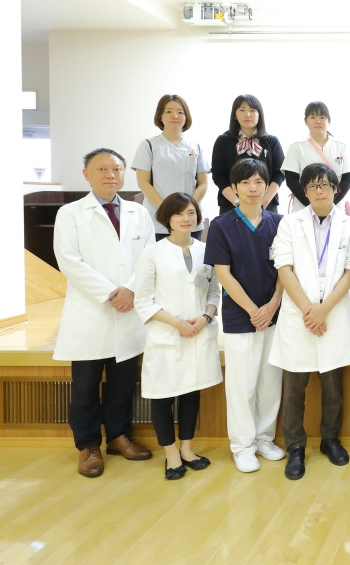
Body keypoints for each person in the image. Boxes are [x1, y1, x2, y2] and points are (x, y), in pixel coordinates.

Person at [53, 148, 155, 477]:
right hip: (91, 311)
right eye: (102, 169)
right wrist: (111, 293)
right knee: (85, 386)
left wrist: (131, 289)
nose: (110, 175)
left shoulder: (139, 213)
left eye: (117, 169)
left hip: (128, 309)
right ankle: (87, 446)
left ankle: (117, 436)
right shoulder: (70, 213)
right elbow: (69, 261)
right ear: (86, 174)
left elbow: (149, 257)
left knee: (122, 383)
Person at [270, 163, 350, 479]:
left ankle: (330, 440)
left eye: (324, 185)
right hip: (299, 316)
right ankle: (295, 447)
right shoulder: (289, 223)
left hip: (332, 315)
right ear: (304, 192)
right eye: (312, 186)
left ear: (336, 188)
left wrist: (324, 310)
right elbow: (284, 268)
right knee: (294, 389)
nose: (318, 191)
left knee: (333, 387)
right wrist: (309, 310)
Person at [203, 158, 285, 473]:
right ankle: (242, 446)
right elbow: (223, 274)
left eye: (259, 182)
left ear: (267, 187)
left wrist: (273, 305)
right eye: (246, 182)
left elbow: (285, 269)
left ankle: (264, 439)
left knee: (270, 381)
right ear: (234, 188)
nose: (253, 188)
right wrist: (253, 310)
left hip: (274, 314)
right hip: (241, 317)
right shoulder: (222, 225)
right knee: (242, 383)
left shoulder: (279, 223)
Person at [133, 193, 221, 480]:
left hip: (198, 333)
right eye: (179, 213)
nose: (186, 218)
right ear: (167, 218)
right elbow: (143, 300)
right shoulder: (152, 253)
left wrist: (206, 317)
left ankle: (187, 449)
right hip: (167, 335)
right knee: (162, 396)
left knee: (191, 393)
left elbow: (214, 292)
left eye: (191, 213)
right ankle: (171, 454)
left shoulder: (206, 251)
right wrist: (177, 324)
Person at [132, 94, 210, 241]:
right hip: (159, 219)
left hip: (190, 219)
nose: (175, 116)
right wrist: (167, 210)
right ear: (160, 116)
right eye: (168, 111)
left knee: (191, 255)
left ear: (186, 117)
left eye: (180, 112)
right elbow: (143, 183)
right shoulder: (148, 145)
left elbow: (203, 183)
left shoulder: (196, 146)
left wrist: (188, 209)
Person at [211, 94, 286, 215]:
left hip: (266, 205)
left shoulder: (271, 141)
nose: (247, 114)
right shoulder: (223, 141)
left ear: (259, 114)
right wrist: (237, 202)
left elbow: (280, 173)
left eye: (252, 110)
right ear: (235, 114)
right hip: (231, 205)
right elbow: (218, 175)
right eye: (242, 110)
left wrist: (264, 201)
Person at [282, 101, 350, 212]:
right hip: (303, 207)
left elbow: (347, 179)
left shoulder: (341, 146)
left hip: (335, 206)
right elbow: (291, 180)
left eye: (322, 117)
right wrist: (313, 205)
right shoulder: (296, 147)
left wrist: (329, 204)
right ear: (305, 121)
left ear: (329, 120)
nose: (318, 121)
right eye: (313, 117)